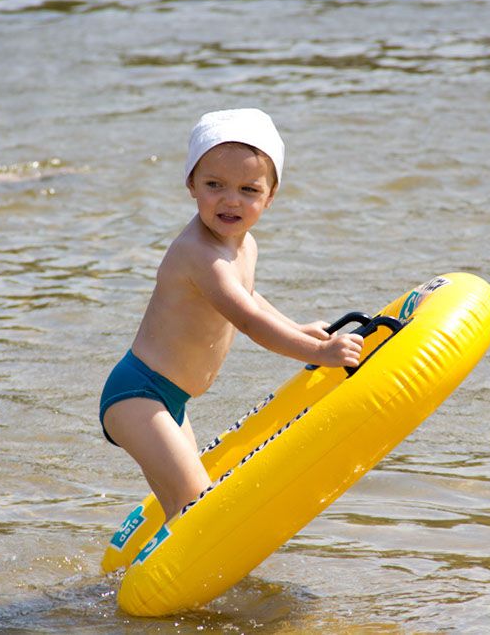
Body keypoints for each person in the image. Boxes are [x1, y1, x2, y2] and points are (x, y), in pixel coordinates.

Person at [100, 108, 364, 519]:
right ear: (191, 184)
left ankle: (147, 579)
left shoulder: (245, 245)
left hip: (172, 399)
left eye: (248, 189)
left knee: (180, 508)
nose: (230, 200)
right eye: (214, 185)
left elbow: (251, 299)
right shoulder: (199, 254)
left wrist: (299, 328)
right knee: (199, 504)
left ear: (270, 196)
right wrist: (319, 354)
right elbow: (248, 321)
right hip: (137, 395)